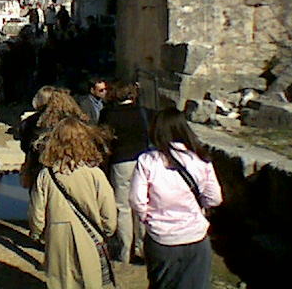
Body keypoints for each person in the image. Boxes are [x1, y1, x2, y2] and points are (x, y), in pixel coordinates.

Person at [129, 108, 223, 289]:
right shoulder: (200, 159)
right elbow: (215, 198)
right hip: (195, 236)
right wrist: (200, 207)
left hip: (162, 239)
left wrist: (148, 218)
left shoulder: (147, 161)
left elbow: (136, 200)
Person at [28, 117, 117, 289]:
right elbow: (108, 208)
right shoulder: (94, 173)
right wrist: (107, 229)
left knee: (61, 280)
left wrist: (37, 231)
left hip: (57, 234)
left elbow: (37, 210)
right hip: (90, 233)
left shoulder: (46, 175)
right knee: (90, 279)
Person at [99, 81, 150, 264]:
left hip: (120, 161)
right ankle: (143, 248)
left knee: (123, 207)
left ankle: (124, 250)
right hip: (142, 160)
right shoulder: (141, 112)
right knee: (141, 203)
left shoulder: (109, 114)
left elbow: (103, 139)